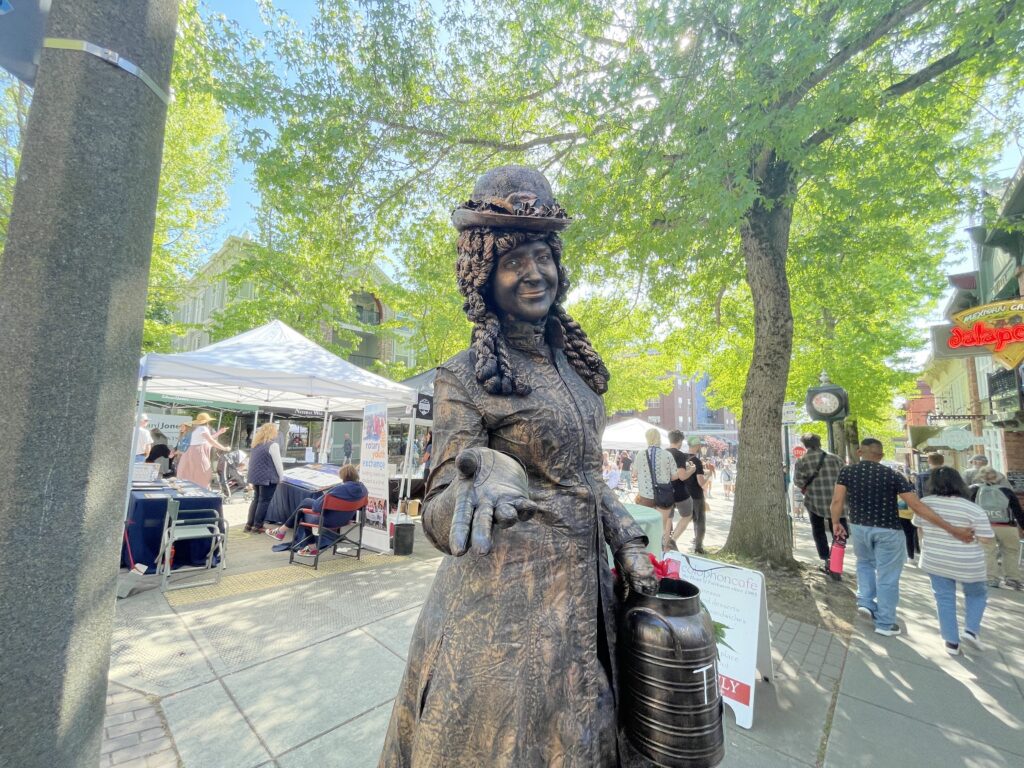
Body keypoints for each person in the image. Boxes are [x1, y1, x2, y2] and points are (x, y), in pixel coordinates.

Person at [380, 166, 655, 768]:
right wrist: (479, 479)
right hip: (504, 622)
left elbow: (587, 476)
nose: (534, 273)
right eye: (514, 261)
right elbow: (438, 503)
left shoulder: (577, 370)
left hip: (588, 602)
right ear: (486, 275)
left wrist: (630, 542)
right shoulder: (462, 377)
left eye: (542, 256)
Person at [831, 438, 975, 637]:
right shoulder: (893, 475)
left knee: (864, 563)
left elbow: (837, 500)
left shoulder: (847, 472)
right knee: (887, 576)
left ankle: (865, 602)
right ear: (880, 456)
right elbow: (916, 506)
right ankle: (885, 622)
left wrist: (835, 522)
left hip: (859, 527)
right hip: (888, 529)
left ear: (859, 452)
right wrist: (951, 529)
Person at [917, 467, 995, 655]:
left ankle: (951, 641)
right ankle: (971, 629)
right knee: (976, 595)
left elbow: (920, 528)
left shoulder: (924, 504)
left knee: (943, 598)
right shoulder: (972, 508)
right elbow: (986, 538)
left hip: (936, 558)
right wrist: (972, 535)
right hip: (967, 561)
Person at [266, 464, 368, 555]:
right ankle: (285, 533)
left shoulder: (338, 489)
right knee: (306, 505)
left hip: (328, 521)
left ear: (343, 477)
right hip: (345, 520)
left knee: (304, 508)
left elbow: (317, 507)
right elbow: (361, 508)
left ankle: (284, 532)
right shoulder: (363, 490)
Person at [793, 433, 847, 578]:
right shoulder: (835, 459)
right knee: (839, 532)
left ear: (805, 445)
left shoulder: (802, 461)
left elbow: (798, 482)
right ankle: (836, 563)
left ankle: (826, 559)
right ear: (820, 443)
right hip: (838, 501)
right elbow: (846, 477)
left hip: (815, 501)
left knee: (818, 531)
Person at [969, 467, 1024, 590]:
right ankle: (1012, 578)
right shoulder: (1006, 491)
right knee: (1011, 552)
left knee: (988, 552)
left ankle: (991, 578)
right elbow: (1017, 510)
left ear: (980, 477)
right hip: (1007, 526)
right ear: (997, 477)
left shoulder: (974, 490)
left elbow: (968, 508)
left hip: (985, 527)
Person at [635, 428, 680, 551]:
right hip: (664, 495)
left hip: (645, 496)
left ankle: (647, 552)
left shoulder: (640, 454)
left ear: (647, 438)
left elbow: (634, 474)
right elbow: (675, 476)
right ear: (659, 438)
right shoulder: (667, 454)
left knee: (645, 527)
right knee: (663, 526)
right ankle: (661, 553)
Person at [245, 422, 286, 534]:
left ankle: (249, 524)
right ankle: (257, 526)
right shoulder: (273, 445)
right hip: (268, 477)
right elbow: (278, 463)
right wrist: (281, 477)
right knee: (264, 501)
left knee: (256, 499)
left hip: (255, 476)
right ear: (272, 432)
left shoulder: (255, 445)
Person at [175, 413, 229, 489]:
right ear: (207, 421)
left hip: (191, 452)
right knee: (204, 472)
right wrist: (224, 448)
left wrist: (220, 432)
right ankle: (202, 490)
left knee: (191, 472)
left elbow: (208, 438)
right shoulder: (203, 428)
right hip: (198, 452)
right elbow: (210, 440)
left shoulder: (196, 429)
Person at [665, 430, 697, 550]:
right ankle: (672, 541)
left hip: (665, 490)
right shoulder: (679, 455)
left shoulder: (663, 453)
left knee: (668, 518)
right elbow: (682, 475)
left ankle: (666, 545)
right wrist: (692, 470)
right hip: (679, 491)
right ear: (680, 441)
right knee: (688, 515)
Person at [679, 442, 707, 553]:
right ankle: (698, 547)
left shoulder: (681, 459)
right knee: (699, 520)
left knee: (686, 519)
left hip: (684, 495)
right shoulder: (697, 461)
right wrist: (708, 476)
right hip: (696, 495)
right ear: (695, 447)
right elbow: (701, 482)